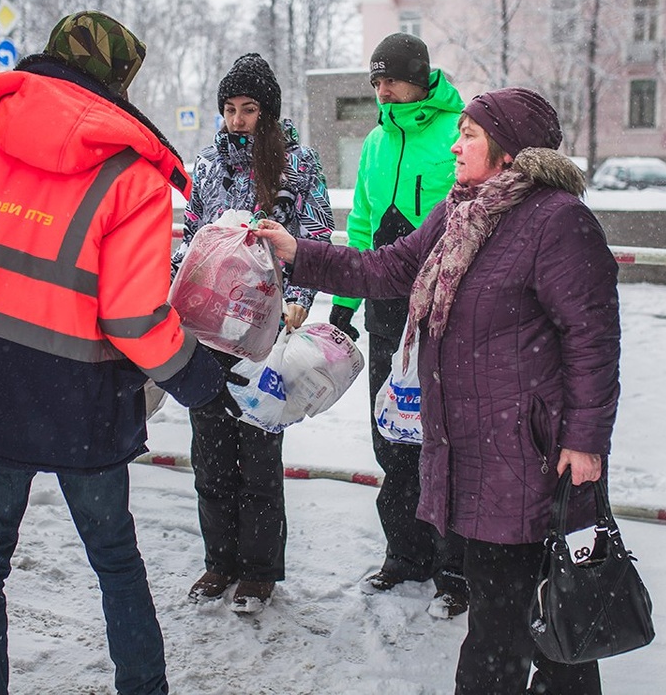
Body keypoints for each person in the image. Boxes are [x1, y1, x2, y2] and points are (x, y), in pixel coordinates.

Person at [0, 11, 245, 695]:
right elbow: (134, 317)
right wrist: (197, 377)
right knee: (115, 558)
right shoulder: (129, 175)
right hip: (73, 398)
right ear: (119, 82)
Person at [254, 87, 621, 693]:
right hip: (473, 450)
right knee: (531, 620)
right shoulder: (460, 213)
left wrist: (584, 440)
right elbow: (389, 268)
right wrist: (301, 254)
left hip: (534, 455)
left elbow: (593, 341)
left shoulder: (557, 222)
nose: (455, 145)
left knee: (523, 625)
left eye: (470, 136)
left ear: (508, 152)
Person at [172, 52, 334, 615]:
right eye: (229, 109)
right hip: (207, 332)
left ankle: (260, 571)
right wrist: (174, 293)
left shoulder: (298, 164)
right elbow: (191, 237)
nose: (237, 120)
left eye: (249, 109)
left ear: (269, 112)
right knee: (210, 455)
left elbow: (314, 231)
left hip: (266, 336)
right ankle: (220, 561)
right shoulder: (209, 164)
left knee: (259, 455)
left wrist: (299, 299)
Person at [329, 32, 468, 618]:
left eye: (390, 79)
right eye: (375, 80)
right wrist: (344, 303)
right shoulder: (377, 141)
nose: (382, 90)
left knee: (448, 438)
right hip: (388, 306)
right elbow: (361, 222)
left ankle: (456, 565)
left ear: (421, 76)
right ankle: (405, 554)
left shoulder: (460, 133)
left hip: (446, 307)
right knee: (393, 432)